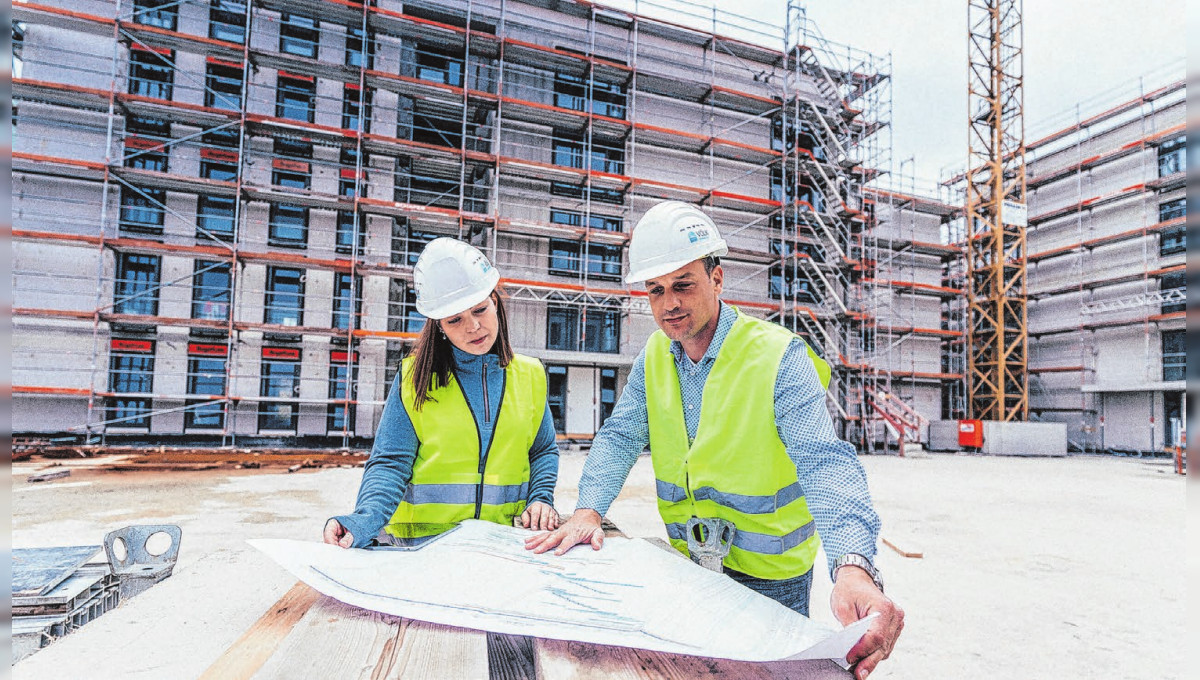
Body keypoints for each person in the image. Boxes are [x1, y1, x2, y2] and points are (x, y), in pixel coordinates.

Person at [525, 202, 903, 679]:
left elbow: (825, 464)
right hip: (691, 562)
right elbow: (620, 436)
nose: (669, 304)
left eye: (683, 284)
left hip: (771, 579)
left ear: (717, 279)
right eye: (655, 290)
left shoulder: (777, 357)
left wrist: (853, 567)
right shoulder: (655, 357)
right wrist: (589, 509)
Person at [325, 237, 560, 548]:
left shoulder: (530, 375)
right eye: (455, 320)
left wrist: (541, 499)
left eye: (479, 310)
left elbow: (542, 451)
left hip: (500, 546)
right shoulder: (413, 378)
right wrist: (364, 518)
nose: (473, 327)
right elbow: (391, 462)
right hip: (421, 549)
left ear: (495, 302)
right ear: (439, 327)